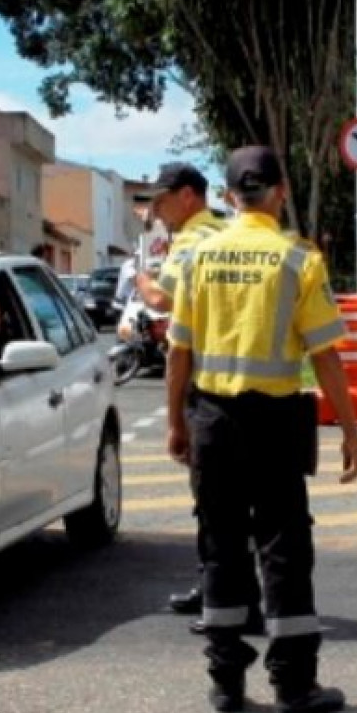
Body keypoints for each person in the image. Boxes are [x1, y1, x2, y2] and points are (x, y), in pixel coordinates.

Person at [165, 145, 357, 713]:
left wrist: (176, 422)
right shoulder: (299, 259)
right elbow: (325, 355)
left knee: (219, 546)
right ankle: (293, 686)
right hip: (276, 424)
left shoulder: (200, 257)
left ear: (229, 197)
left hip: (212, 420)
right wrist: (351, 430)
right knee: (283, 548)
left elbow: (180, 350)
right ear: (279, 193)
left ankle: (226, 683)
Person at [129, 162, 235, 625]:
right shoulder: (225, 233)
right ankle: (230, 588)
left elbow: (163, 301)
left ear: (188, 195)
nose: (157, 209)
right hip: (246, 381)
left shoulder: (192, 241)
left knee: (211, 498)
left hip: (205, 383)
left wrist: (141, 280)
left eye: (162, 199)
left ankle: (220, 592)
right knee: (239, 500)